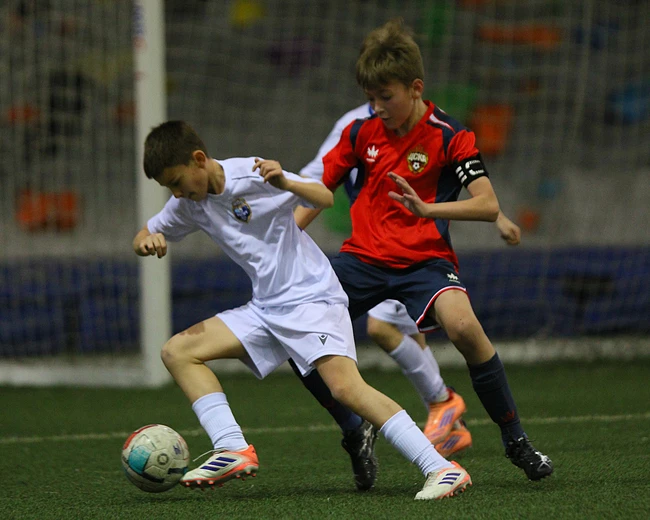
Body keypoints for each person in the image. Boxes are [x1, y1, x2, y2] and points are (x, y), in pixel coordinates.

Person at [132, 120, 472, 500]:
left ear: (199, 160)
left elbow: (324, 197)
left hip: (312, 299)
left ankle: (441, 468)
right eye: (170, 188)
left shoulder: (252, 174)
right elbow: (145, 232)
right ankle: (232, 447)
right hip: (266, 308)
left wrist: (286, 183)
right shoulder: (188, 204)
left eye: (176, 182)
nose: (176, 193)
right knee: (177, 351)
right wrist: (147, 241)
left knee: (346, 389)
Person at [289, 18, 553, 483]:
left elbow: (487, 203)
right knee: (294, 331)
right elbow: (319, 191)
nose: (376, 108)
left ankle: (516, 441)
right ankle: (354, 429)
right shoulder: (359, 133)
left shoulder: (450, 135)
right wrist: (281, 242)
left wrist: (429, 209)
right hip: (362, 260)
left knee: (464, 326)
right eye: (370, 98)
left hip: (425, 262)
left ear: (415, 89)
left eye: (385, 97)